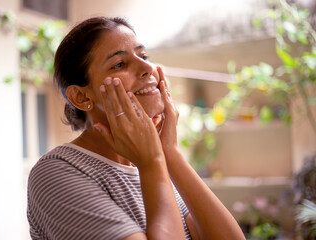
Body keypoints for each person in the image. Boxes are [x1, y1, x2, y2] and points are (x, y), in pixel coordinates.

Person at [27, 16, 245, 240]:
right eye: (119, 64)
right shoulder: (58, 173)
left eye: (143, 56)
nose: (147, 68)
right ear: (81, 96)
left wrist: (169, 153)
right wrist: (152, 163)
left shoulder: (152, 165)